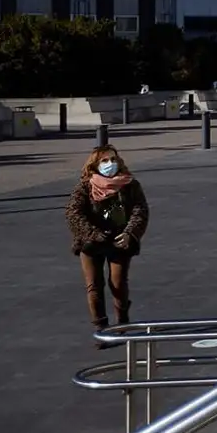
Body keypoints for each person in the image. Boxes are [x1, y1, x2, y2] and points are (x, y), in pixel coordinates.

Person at [65, 145, 150, 341]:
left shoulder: (130, 184)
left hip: (119, 240)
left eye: (112, 159)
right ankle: (101, 327)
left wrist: (130, 233)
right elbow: (73, 213)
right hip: (91, 242)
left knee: (118, 283)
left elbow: (140, 210)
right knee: (94, 286)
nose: (109, 164)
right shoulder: (85, 186)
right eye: (104, 161)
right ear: (95, 164)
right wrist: (92, 233)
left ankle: (122, 321)